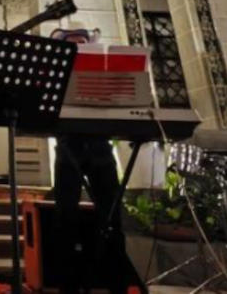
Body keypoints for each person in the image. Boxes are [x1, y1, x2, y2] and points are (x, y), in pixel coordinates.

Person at [50, 23, 142, 294]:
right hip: (68, 145)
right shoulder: (57, 71)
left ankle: (116, 284)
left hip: (100, 146)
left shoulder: (104, 70)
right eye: (73, 43)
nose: (79, 46)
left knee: (112, 216)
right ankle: (68, 286)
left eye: (83, 42)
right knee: (65, 216)